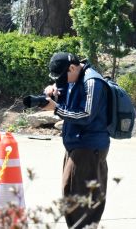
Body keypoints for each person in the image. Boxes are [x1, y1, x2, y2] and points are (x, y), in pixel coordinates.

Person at [43, 51, 110, 229]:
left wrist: (57, 109)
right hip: (77, 145)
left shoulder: (92, 82)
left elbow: (86, 115)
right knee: (71, 193)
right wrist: (51, 92)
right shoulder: (74, 77)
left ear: (72, 68)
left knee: (80, 198)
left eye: (62, 76)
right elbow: (63, 93)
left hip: (89, 147)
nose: (61, 81)